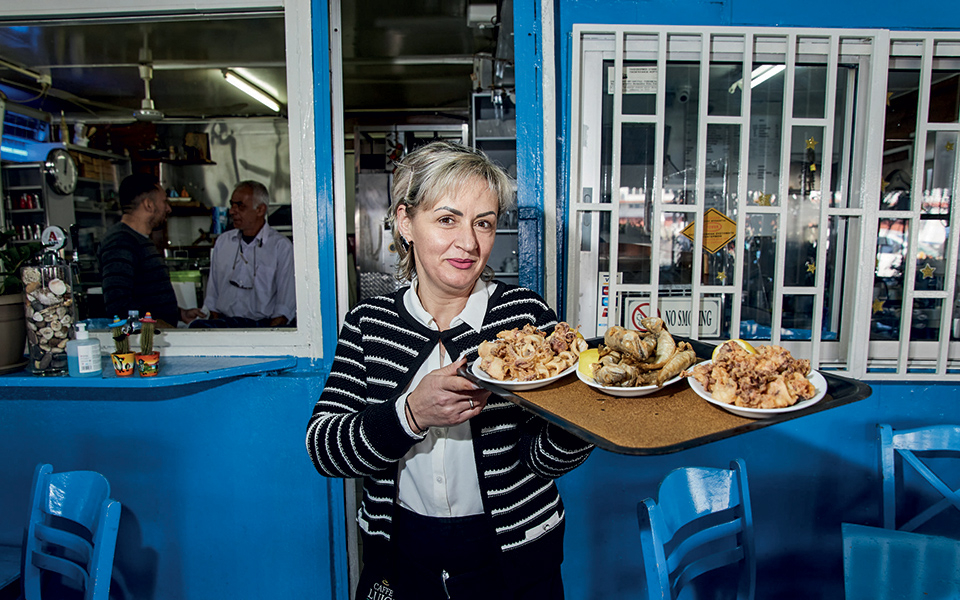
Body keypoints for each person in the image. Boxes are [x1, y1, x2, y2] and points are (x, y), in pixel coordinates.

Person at [305, 141, 593, 599]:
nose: (469, 243)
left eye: (484, 223)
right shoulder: (369, 325)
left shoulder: (525, 319)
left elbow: (542, 460)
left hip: (515, 553)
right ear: (405, 222)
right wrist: (411, 414)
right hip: (401, 553)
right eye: (446, 219)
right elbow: (325, 449)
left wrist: (588, 416)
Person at [98, 173, 204, 328]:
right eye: (164, 202)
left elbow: (145, 294)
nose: (168, 208)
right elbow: (118, 305)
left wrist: (179, 314)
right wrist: (157, 324)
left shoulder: (140, 240)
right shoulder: (120, 242)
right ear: (148, 204)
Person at [190, 181, 296, 328]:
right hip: (225, 324)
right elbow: (212, 299)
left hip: (263, 326)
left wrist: (268, 336)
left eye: (240, 206)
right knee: (196, 326)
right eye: (232, 205)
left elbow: (284, 308)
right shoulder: (223, 242)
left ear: (260, 210)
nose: (232, 211)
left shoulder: (281, 247)